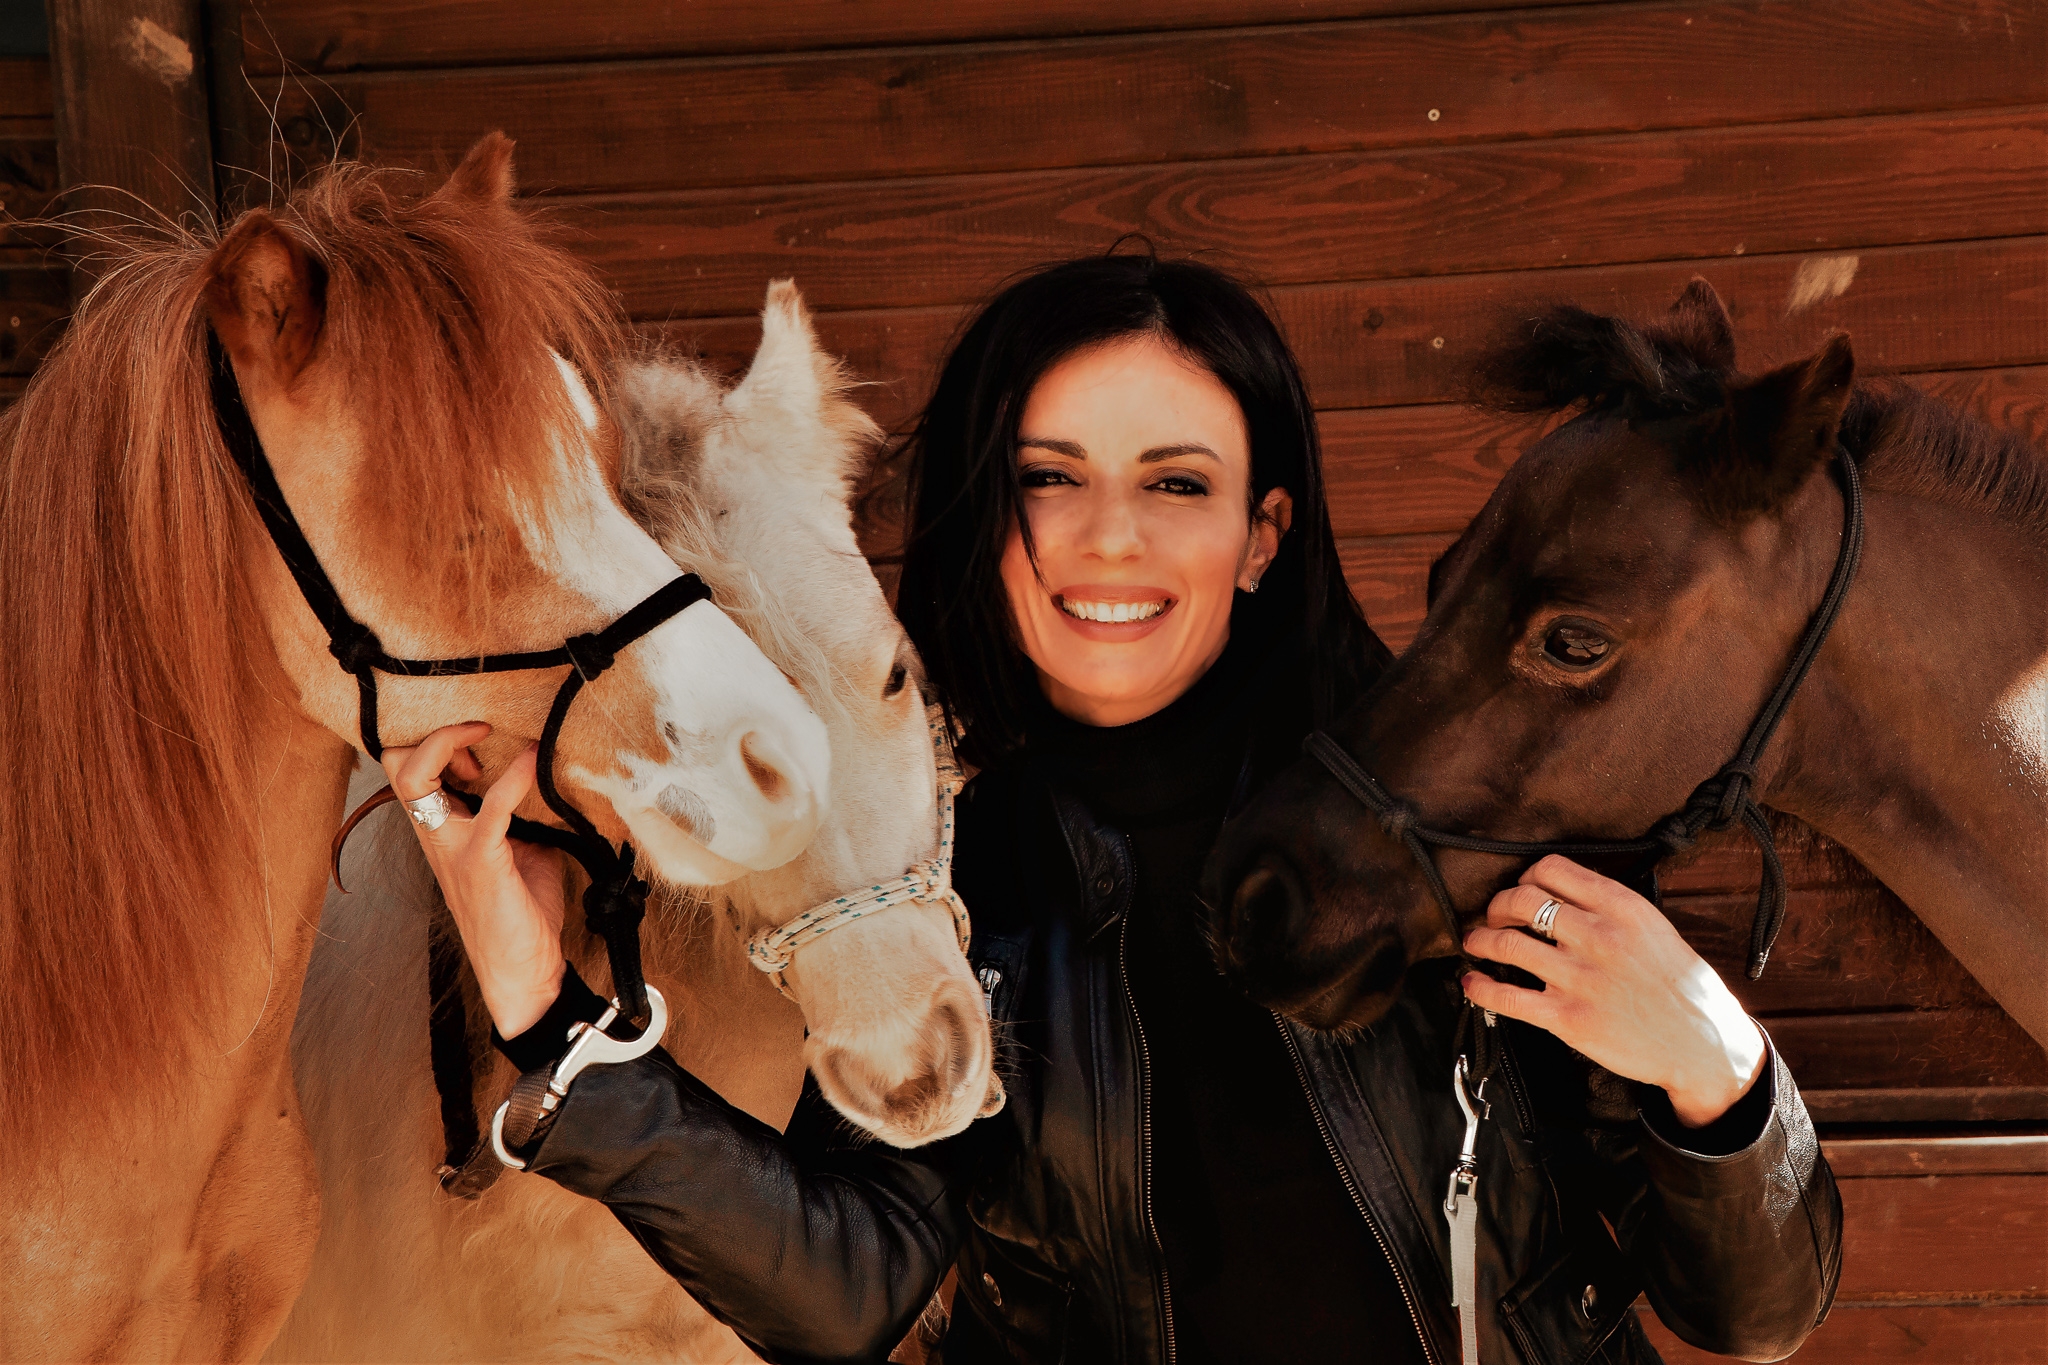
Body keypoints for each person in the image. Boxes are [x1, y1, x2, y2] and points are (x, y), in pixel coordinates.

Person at [383, 256, 1841, 1365]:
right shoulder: (942, 871)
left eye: (1178, 483)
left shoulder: (1474, 819)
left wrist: (1714, 1070)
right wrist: (558, 1033)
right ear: (991, 524)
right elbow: (849, 1289)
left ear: (1261, 535)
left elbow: (1752, 1311)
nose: (1110, 538)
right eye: (1051, 479)